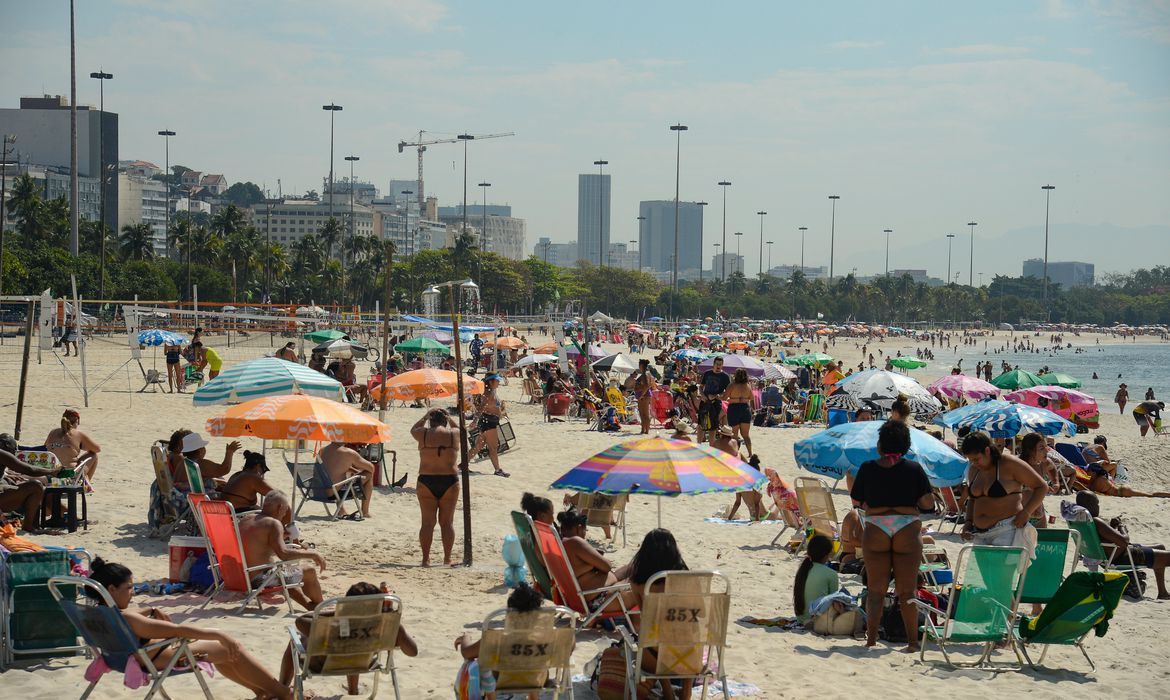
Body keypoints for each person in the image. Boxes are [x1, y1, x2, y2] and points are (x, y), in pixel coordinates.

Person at [86, 558, 291, 699]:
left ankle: (263, 692)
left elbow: (134, 617)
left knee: (222, 652)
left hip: (126, 659)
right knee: (230, 647)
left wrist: (150, 608)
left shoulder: (97, 614)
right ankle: (283, 694)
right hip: (158, 658)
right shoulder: (128, 618)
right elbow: (178, 630)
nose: (133, 593)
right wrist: (220, 634)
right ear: (111, 589)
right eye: (129, 588)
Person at [850, 420, 934, 651]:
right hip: (906, 526)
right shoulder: (914, 469)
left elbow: (857, 501)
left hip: (877, 525)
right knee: (907, 591)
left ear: (880, 445)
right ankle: (912, 643)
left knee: (876, 590)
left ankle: (871, 640)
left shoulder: (867, 468)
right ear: (906, 446)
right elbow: (928, 503)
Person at [280, 580, 417, 694]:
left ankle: (283, 688)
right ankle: (353, 690)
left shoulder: (333, 626)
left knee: (295, 640)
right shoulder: (387, 625)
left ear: (346, 605)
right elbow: (412, 652)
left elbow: (300, 621)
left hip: (322, 665)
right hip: (364, 663)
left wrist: (337, 613)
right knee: (356, 646)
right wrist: (394, 622)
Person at [455, 582, 553, 700]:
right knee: (537, 665)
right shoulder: (547, 639)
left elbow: (467, 652)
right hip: (537, 681)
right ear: (538, 615)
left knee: (474, 663)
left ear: (509, 614)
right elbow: (570, 645)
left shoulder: (496, 639)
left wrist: (466, 638)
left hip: (502, 683)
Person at [626, 529, 690, 700]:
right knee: (690, 635)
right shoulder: (686, 579)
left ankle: (667, 690)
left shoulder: (637, 581)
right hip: (689, 657)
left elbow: (645, 617)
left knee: (650, 637)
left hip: (655, 658)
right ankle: (687, 692)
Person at [960, 431, 1045, 558]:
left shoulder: (1008, 463)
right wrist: (968, 522)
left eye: (977, 459)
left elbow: (1042, 486)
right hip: (979, 534)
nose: (974, 463)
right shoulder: (974, 469)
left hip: (1007, 529)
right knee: (984, 578)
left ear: (987, 451)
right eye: (971, 460)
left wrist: (1026, 512)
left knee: (1001, 577)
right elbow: (973, 499)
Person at [238, 491, 326, 610]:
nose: (285, 514)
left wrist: (279, 537)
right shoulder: (273, 523)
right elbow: (284, 555)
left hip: (239, 576)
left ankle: (309, 606)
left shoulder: (247, 519)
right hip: (259, 580)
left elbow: (257, 546)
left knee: (285, 573)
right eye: (285, 510)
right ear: (280, 508)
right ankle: (322, 607)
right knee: (309, 571)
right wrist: (312, 554)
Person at [1076, 492, 1170, 599]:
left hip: (1108, 556)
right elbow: (1125, 541)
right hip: (1124, 557)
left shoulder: (1082, 522)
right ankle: (1162, 593)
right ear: (1090, 505)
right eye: (1097, 504)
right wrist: (1121, 527)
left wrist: (1112, 527)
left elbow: (1104, 539)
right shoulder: (1096, 521)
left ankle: (1163, 593)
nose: (1098, 506)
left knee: (1161, 547)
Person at [412, 409, 460, 567]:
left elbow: (413, 429)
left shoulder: (423, 434)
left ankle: (425, 559)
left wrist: (425, 416)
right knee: (447, 523)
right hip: (449, 480)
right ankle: (447, 559)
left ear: (430, 421)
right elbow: (461, 430)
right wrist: (450, 418)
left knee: (427, 523)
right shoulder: (453, 434)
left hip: (427, 479)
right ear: (445, 421)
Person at [0, 434, 58, 531]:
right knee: (36, 487)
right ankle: (29, 526)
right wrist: (52, 472)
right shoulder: (2, 454)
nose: (14, 453)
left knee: (18, 483)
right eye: (14, 450)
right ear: (5, 446)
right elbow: (29, 470)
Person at [167, 430, 240, 492]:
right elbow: (224, 469)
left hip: (183, 499)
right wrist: (230, 452)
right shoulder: (199, 463)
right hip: (194, 501)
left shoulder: (183, 462)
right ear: (200, 450)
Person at [319, 441, 377, 519]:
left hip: (320, 492)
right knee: (369, 474)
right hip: (335, 494)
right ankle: (365, 512)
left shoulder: (322, 450)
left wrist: (350, 469)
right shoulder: (348, 453)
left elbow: (331, 468)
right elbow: (371, 468)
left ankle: (341, 510)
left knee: (336, 479)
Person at [43, 408, 101, 483]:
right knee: (93, 455)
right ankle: (85, 483)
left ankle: (84, 480)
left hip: (51, 473)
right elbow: (97, 449)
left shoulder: (53, 432)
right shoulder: (78, 434)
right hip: (69, 475)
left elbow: (44, 448)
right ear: (77, 421)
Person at [793, 534, 839, 626]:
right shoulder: (831, 573)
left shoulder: (803, 569)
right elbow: (834, 601)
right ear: (827, 555)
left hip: (801, 617)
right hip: (819, 620)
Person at [470, 375, 510, 477]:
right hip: (489, 422)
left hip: (489, 421)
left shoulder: (491, 392)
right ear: (491, 382)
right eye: (497, 380)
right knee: (493, 447)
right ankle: (497, 470)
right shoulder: (488, 394)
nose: (499, 382)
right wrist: (474, 421)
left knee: (478, 446)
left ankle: (462, 465)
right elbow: (481, 409)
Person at [698, 357, 731, 444]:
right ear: (713, 364)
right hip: (705, 402)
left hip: (716, 403)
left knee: (713, 427)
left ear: (722, 365)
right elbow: (701, 387)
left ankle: (711, 448)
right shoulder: (707, 373)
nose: (718, 366)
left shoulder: (725, 377)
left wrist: (717, 396)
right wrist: (703, 395)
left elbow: (727, 392)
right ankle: (698, 446)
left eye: (720, 364)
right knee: (701, 425)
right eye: (717, 364)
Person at [725, 368, 756, 456]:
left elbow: (724, 398)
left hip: (734, 409)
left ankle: (735, 453)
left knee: (734, 435)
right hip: (745, 409)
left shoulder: (732, 385)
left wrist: (718, 396)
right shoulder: (748, 386)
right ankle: (750, 453)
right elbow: (752, 399)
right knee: (746, 435)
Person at [633, 359, 657, 435]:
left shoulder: (645, 374)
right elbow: (652, 384)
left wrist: (641, 395)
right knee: (645, 414)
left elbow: (646, 385)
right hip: (647, 394)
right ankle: (644, 430)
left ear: (641, 365)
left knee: (643, 414)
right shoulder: (649, 373)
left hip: (644, 395)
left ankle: (645, 430)